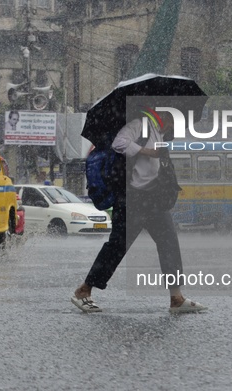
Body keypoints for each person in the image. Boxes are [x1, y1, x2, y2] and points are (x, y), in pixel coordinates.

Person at [71, 112, 207, 314]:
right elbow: (119, 143)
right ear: (165, 116)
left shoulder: (159, 133)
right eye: (175, 122)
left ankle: (176, 297)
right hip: (132, 199)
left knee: (169, 242)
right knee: (117, 247)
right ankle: (84, 290)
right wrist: (147, 151)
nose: (174, 127)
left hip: (154, 199)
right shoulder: (140, 125)